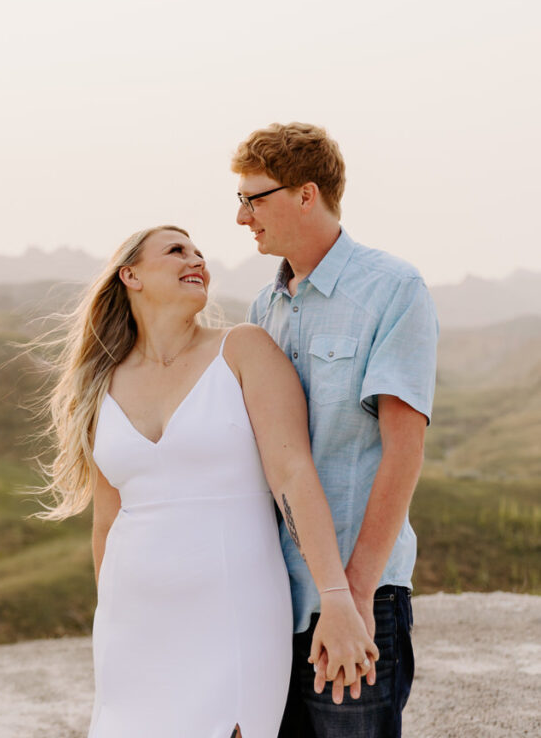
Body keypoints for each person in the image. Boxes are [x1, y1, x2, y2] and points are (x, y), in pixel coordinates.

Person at [38, 225, 378, 738]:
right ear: (130, 275)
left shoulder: (243, 350)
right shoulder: (100, 382)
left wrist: (336, 597)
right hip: (133, 626)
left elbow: (293, 474)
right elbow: (107, 521)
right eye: (176, 250)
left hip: (233, 611)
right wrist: (112, 618)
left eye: (198, 251)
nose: (196, 258)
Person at [232, 123, 438, 738]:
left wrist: (350, 597)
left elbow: (404, 449)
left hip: (358, 595)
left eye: (253, 198)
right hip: (274, 600)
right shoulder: (261, 311)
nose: (243, 218)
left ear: (305, 194)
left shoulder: (393, 289)